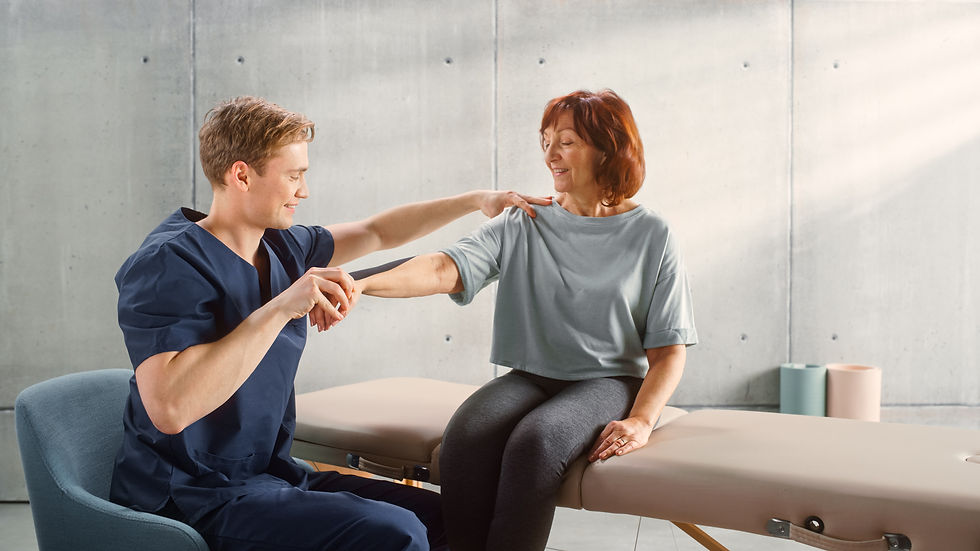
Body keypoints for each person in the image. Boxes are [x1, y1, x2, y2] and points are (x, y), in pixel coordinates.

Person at [109, 95, 551, 551]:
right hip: (191, 496)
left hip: (270, 475)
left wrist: (477, 201)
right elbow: (169, 409)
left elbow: (378, 231)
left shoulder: (280, 247)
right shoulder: (167, 264)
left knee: (456, 522)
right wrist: (281, 307)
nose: (304, 191)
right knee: (397, 535)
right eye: (294, 176)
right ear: (241, 175)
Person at [354, 89, 698, 551]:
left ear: (608, 149)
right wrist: (357, 283)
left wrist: (640, 421)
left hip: (608, 382)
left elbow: (668, 351)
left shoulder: (651, 233)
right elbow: (442, 268)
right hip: (532, 376)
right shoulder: (524, 220)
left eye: (567, 142)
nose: (550, 154)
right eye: (546, 140)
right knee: (465, 437)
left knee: (535, 445)